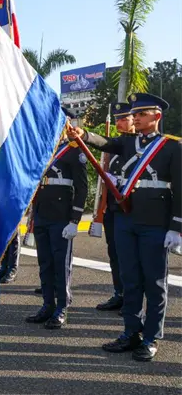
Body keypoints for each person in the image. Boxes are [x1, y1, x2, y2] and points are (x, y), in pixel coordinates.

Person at [69, 93, 182, 362]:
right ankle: (131, 332)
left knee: (154, 283)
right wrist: (84, 134)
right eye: (136, 114)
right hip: (126, 220)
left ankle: (152, 337)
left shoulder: (172, 147)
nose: (136, 118)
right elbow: (105, 143)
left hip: (156, 223)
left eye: (142, 114)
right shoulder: (128, 142)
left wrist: (175, 227)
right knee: (130, 280)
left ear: (157, 116)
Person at [26, 110, 88, 330]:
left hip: (62, 216)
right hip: (42, 214)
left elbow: (82, 188)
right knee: (45, 263)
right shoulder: (42, 151)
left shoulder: (73, 150)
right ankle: (47, 304)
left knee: (61, 264)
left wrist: (75, 220)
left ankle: (62, 306)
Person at [95, 102, 136, 312]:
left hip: (130, 209)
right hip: (112, 208)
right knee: (115, 254)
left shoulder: (141, 145)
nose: (120, 122)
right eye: (117, 119)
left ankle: (132, 299)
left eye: (124, 118)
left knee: (131, 258)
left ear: (134, 119)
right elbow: (103, 143)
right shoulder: (116, 144)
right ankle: (119, 293)